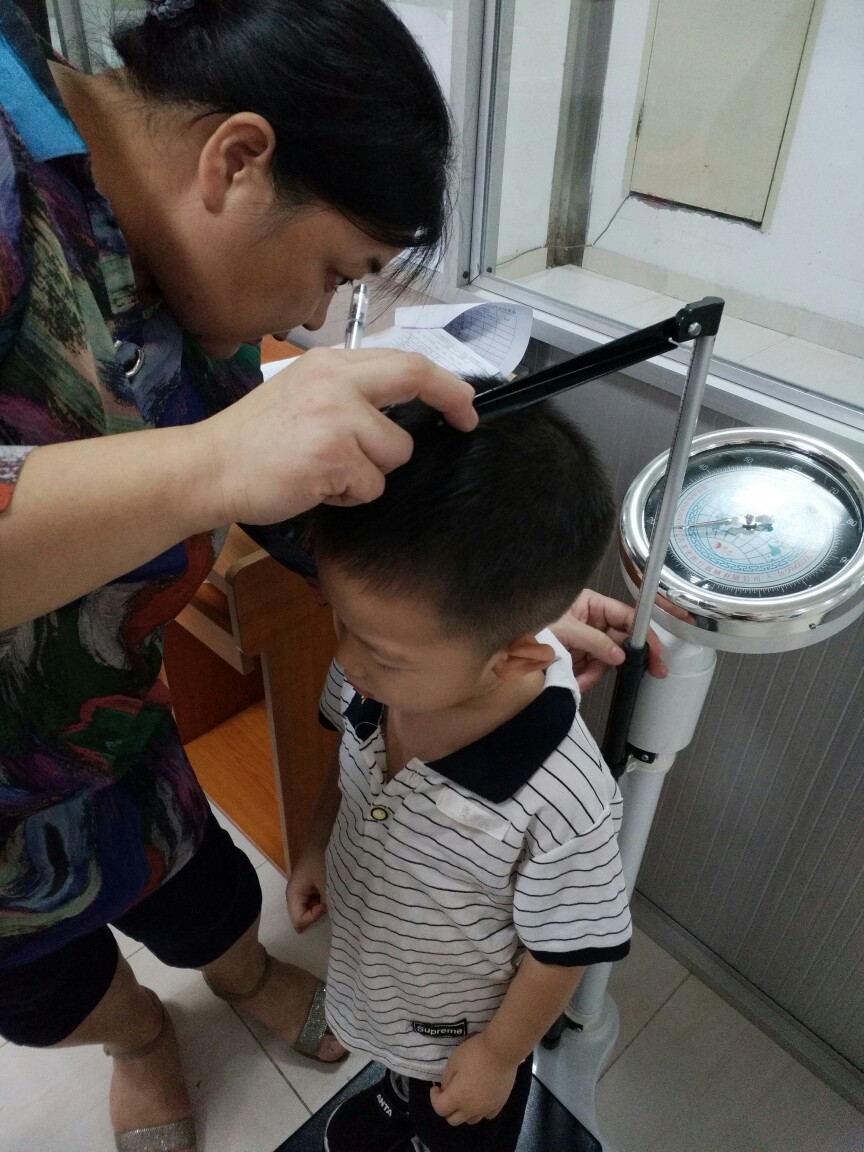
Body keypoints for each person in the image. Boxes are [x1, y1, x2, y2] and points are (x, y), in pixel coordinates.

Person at [287, 401, 634, 1152]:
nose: (346, 658)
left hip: (464, 1034)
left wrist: (499, 1055)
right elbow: (347, 769)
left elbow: (566, 948)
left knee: (457, 1124)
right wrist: (316, 845)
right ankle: (396, 1096)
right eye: (340, 620)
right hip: (383, 982)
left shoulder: (563, 796)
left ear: (514, 658)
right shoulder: (373, 678)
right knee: (403, 1073)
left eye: (381, 651)